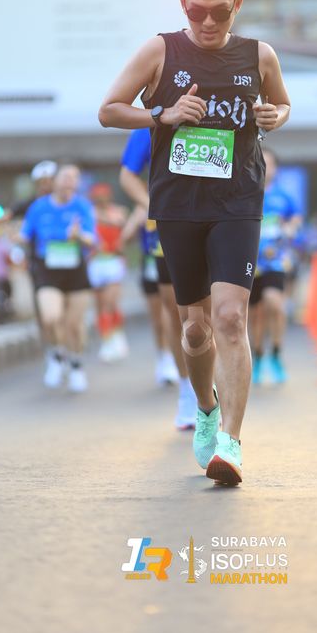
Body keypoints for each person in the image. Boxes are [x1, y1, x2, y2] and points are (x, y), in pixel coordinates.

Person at [99, 0, 290, 484]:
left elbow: (282, 106)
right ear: (182, 3)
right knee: (195, 327)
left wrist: (274, 116)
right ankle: (205, 407)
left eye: (220, 12)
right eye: (196, 11)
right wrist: (161, 113)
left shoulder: (260, 55)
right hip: (179, 207)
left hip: (238, 203)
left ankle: (231, 440)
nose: (208, 22)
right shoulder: (160, 50)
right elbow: (109, 109)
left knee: (230, 317)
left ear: (237, 5)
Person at [120, 127, 198, 428]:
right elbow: (127, 175)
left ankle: (211, 389)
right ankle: (187, 389)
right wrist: (150, 203)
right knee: (176, 311)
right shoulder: (150, 124)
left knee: (213, 310)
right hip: (166, 224)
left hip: (215, 218)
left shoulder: (221, 109)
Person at [21, 165, 96, 392]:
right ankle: (56, 354)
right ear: (54, 181)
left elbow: (92, 239)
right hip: (48, 269)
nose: (69, 181)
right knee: (51, 317)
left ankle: (76, 366)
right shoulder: (38, 207)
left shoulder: (82, 206)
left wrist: (78, 235)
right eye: (65, 177)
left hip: (76, 269)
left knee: (74, 325)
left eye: (74, 178)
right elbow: (25, 235)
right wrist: (15, 237)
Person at [248, 148, 301, 386]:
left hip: (276, 260)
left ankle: (277, 353)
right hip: (249, 260)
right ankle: (258, 355)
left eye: (269, 163)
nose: (265, 167)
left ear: (276, 169)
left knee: (275, 303)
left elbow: (296, 218)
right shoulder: (245, 192)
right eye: (260, 162)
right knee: (255, 314)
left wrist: (290, 228)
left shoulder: (284, 196)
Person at [87, 183, 129, 362]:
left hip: (113, 261)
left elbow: (122, 224)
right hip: (96, 262)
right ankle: (106, 340)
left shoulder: (118, 211)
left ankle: (117, 336)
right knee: (99, 305)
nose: (100, 199)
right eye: (97, 196)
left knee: (110, 303)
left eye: (103, 195)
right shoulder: (89, 213)